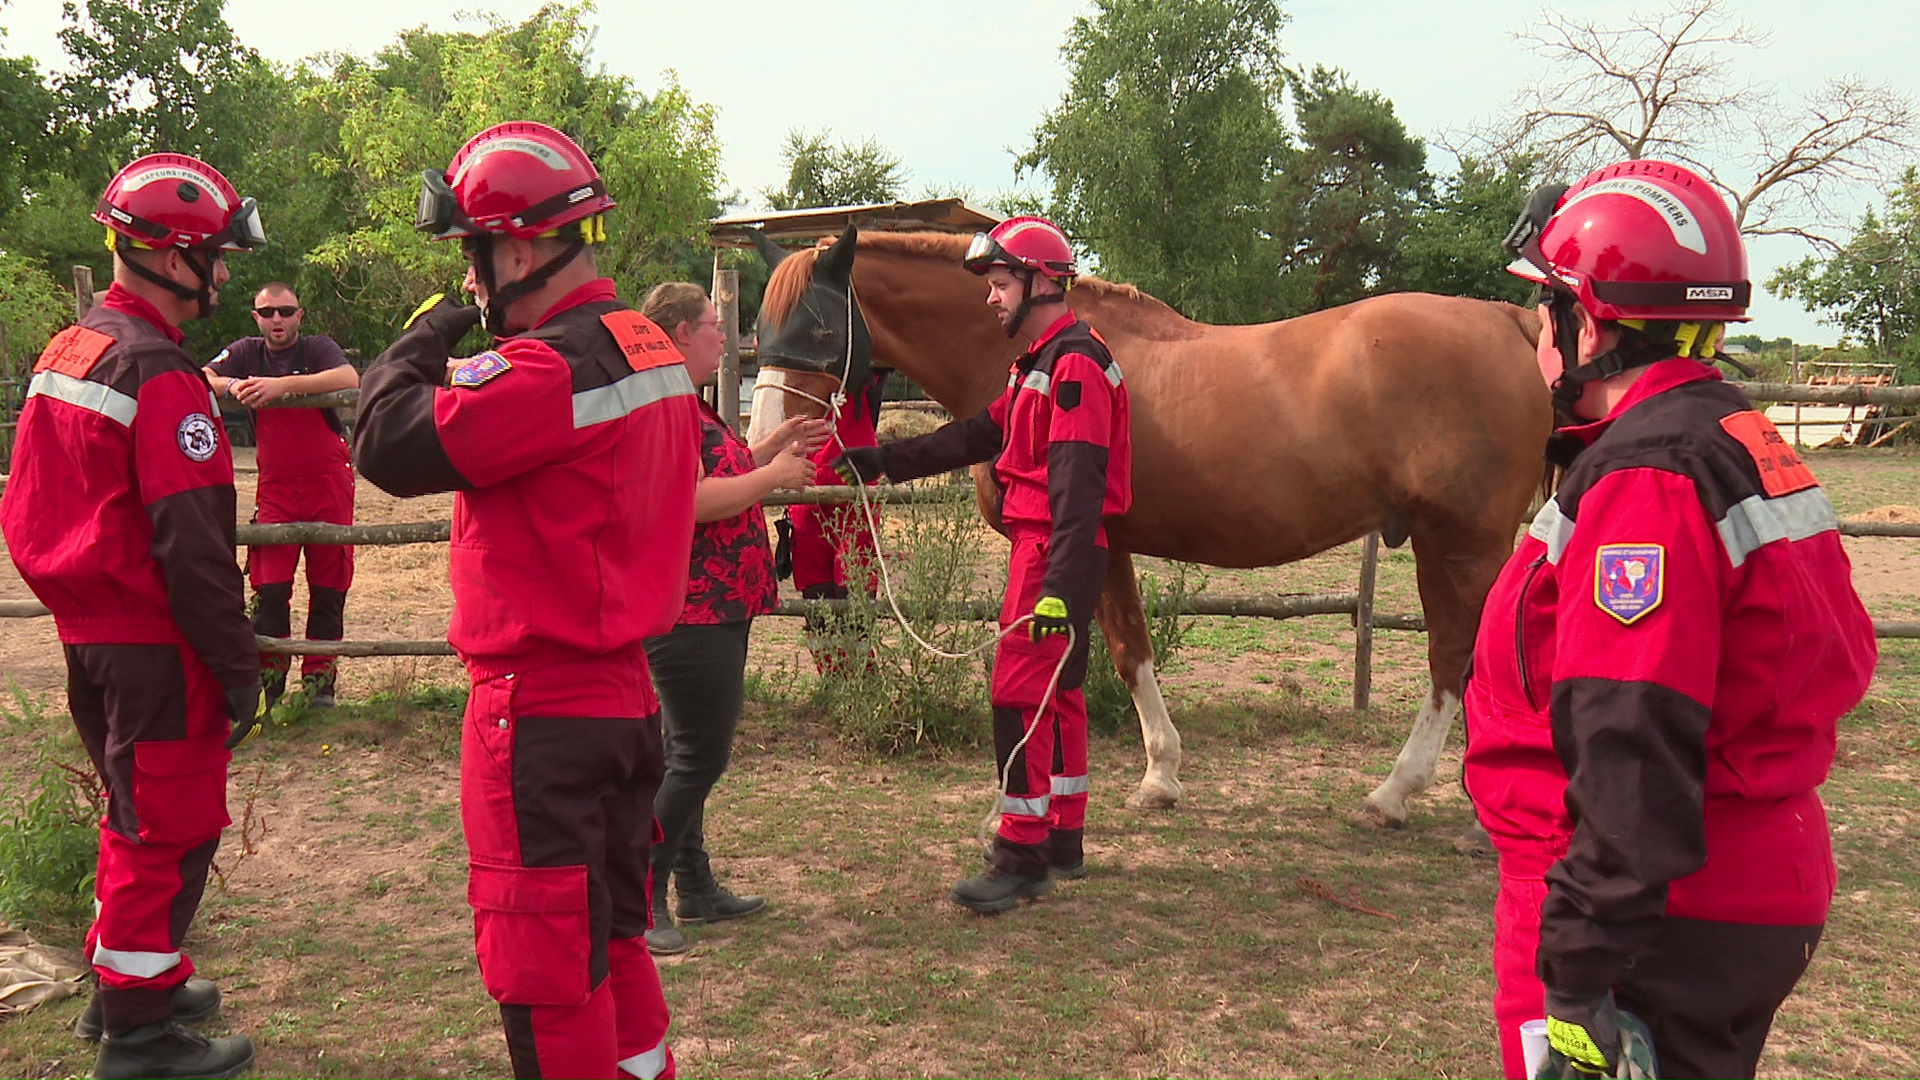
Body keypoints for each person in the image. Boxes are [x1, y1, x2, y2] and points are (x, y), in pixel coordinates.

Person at [1465, 159, 1878, 1080]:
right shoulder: (1741, 437)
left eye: (1545, 308)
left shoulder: (1649, 476)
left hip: (1653, 914)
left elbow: (1630, 723)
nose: (1538, 332)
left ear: (1591, 320)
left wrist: (1577, 966)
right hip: (1743, 877)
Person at [352, 121, 698, 1080]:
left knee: (549, 975)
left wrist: (428, 328)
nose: (469, 277)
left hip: (539, 710)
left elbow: (384, 442)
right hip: (628, 701)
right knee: (614, 939)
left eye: (470, 253)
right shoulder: (651, 350)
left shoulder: (545, 370)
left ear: (516, 245)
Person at [1, 152, 268, 1078]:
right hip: (157, 641)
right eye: (214, 257)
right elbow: (193, 545)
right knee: (171, 824)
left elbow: (34, 505)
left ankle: (130, 983)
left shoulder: (72, 347)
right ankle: (141, 1039)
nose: (224, 276)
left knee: (134, 811)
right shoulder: (157, 370)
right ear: (168, 257)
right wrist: (238, 667)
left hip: (94, 630)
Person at [830, 215, 1132, 913]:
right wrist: (886, 461)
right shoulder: (1042, 363)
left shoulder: (1074, 364)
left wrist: (1057, 587)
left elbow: (1078, 484)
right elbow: (979, 433)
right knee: (1058, 692)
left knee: (1016, 694)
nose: (991, 298)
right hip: (1058, 549)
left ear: (1039, 282)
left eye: (999, 284)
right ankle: (1062, 838)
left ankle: (1020, 851)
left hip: (1053, 549)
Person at [636, 282, 824, 955]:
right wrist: (775, 478)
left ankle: (696, 888)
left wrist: (769, 447)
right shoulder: (664, 406)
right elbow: (690, 501)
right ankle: (641, 894)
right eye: (714, 326)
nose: (725, 336)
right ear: (681, 333)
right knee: (696, 756)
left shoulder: (683, 404)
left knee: (686, 752)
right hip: (692, 608)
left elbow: (721, 471)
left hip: (714, 603)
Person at [204, 283, 359, 709]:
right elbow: (202, 376)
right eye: (268, 312)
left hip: (328, 482)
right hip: (275, 488)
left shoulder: (317, 349)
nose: (277, 320)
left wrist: (281, 387)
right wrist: (236, 384)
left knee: (328, 587)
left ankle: (319, 686)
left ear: (299, 315)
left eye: (286, 311)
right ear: (255, 317)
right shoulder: (246, 352)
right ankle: (268, 686)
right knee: (270, 588)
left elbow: (349, 378)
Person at [784, 366, 887, 671]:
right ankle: (830, 676)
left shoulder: (861, 350)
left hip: (854, 475)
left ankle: (858, 682)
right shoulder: (792, 352)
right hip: (808, 475)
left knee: (854, 584)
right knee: (815, 587)